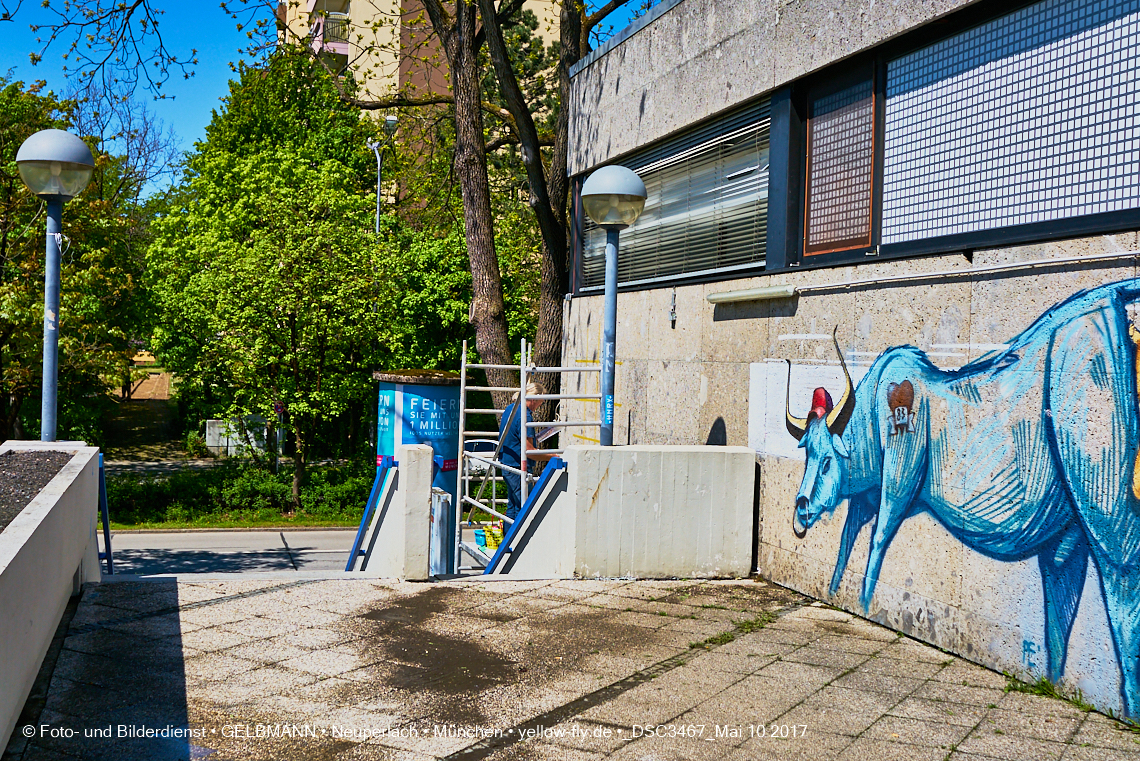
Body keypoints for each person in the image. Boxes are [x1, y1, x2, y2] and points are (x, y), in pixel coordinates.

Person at [497, 383, 554, 522]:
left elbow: (516, 436)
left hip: (507, 463)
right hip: (518, 466)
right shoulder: (525, 415)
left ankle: (508, 540)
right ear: (534, 399)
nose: (540, 406)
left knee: (513, 506)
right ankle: (517, 542)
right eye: (541, 402)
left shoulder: (512, 408)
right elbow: (528, 451)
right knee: (523, 508)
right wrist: (553, 456)